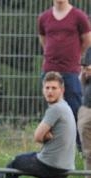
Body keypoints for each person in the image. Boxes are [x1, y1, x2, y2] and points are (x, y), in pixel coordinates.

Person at [38, 0, 91, 147]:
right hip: (49, 70)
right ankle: (54, 147)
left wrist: (75, 57)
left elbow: (87, 41)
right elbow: (43, 41)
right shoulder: (44, 17)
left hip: (70, 72)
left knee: (75, 110)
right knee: (53, 111)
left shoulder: (79, 16)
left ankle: (80, 148)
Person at [76, 49, 91, 178]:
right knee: (88, 153)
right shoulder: (89, 51)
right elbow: (82, 81)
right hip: (86, 108)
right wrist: (84, 75)